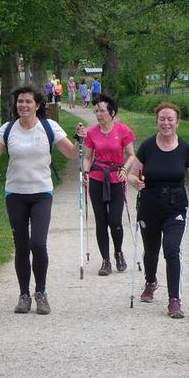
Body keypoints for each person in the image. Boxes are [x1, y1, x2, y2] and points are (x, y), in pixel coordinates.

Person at [0, 88, 86, 315]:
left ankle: (41, 293)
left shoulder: (49, 127)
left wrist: (79, 140)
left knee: (38, 244)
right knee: (21, 245)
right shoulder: (8, 129)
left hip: (42, 193)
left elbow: (72, 154)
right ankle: (24, 295)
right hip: (15, 194)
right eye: (20, 102)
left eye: (28, 102)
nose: (23, 105)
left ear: (38, 105)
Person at [122, 103, 189, 319]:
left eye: (170, 119)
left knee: (171, 250)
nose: (166, 123)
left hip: (175, 206)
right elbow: (131, 174)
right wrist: (135, 183)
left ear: (178, 122)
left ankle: (174, 299)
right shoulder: (148, 146)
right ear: (157, 121)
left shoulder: (185, 149)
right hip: (149, 205)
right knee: (151, 251)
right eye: (162, 119)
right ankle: (150, 282)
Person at [83, 95, 136, 276]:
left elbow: (131, 155)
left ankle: (118, 252)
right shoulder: (91, 133)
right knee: (101, 221)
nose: (98, 114)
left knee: (115, 222)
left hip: (116, 179)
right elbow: (88, 157)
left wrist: (125, 170)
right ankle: (105, 261)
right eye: (96, 110)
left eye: (102, 111)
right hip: (97, 178)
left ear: (112, 112)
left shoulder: (122, 130)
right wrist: (85, 172)